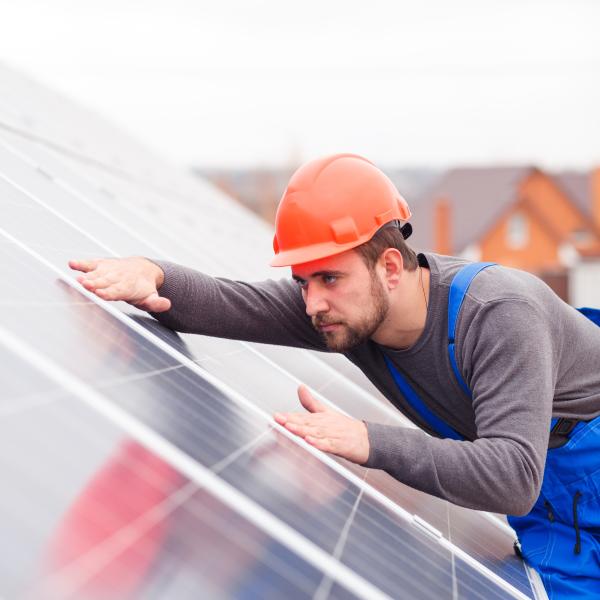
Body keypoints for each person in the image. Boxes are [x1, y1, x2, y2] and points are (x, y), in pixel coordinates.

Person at [70, 153, 600, 598]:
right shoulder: (348, 311)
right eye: (302, 282)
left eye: (329, 277)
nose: (313, 303)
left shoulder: (498, 314)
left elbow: (511, 478)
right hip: (559, 517)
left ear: (391, 267)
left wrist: (367, 440)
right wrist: (152, 275)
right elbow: (229, 304)